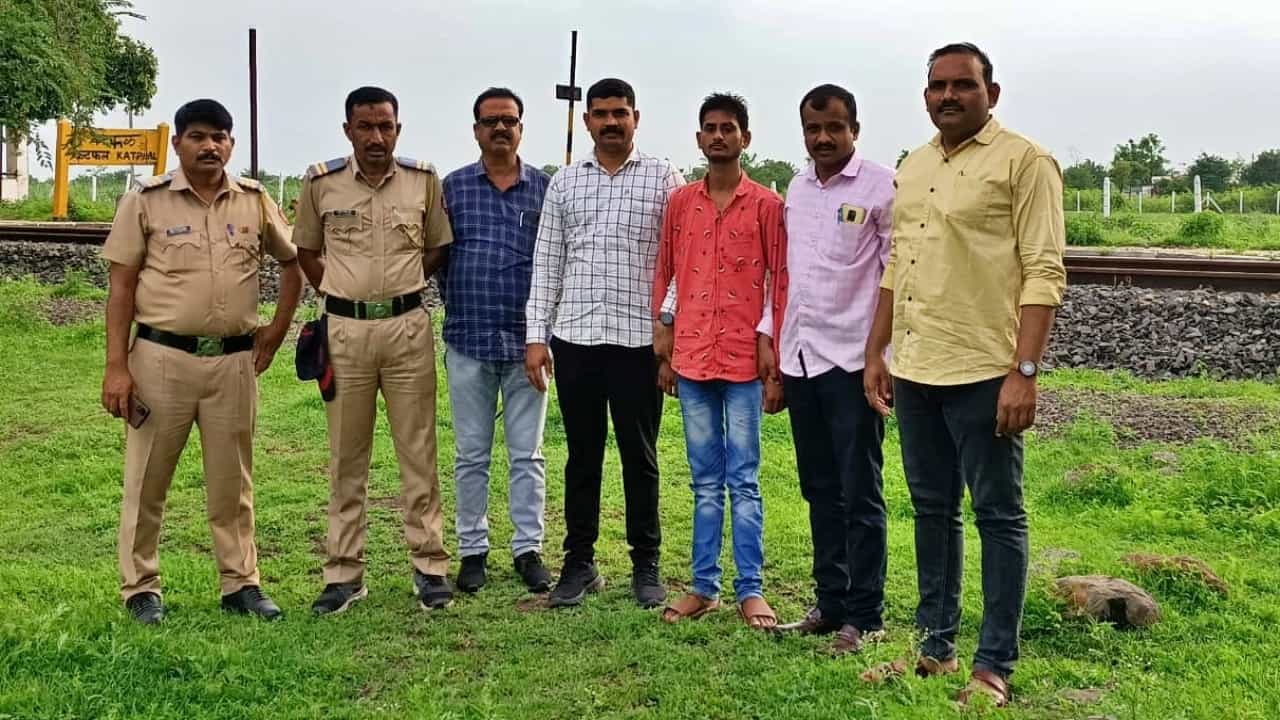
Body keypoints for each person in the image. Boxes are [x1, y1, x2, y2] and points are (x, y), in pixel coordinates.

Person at [862, 43, 1066, 706]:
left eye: (962, 85)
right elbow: (899, 265)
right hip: (917, 368)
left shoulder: (1024, 161)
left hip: (985, 370)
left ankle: (994, 664)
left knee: (998, 514)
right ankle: (935, 647)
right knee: (931, 509)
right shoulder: (914, 165)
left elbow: (1044, 271)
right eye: (937, 86)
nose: (947, 95)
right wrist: (877, 351)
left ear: (991, 93)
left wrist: (1024, 371)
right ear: (925, 95)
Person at [100, 98, 302, 624]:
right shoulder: (145, 201)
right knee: (147, 478)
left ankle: (241, 584)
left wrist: (276, 329)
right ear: (178, 143)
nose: (209, 146)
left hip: (233, 363)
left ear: (231, 144)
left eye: (219, 137)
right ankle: (141, 587)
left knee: (233, 481)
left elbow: (293, 262)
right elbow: (121, 289)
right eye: (197, 136)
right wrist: (116, 367)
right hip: (161, 360)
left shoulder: (254, 201)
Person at [293, 86, 455, 615]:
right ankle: (344, 573)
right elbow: (307, 252)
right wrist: (345, 292)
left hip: (407, 329)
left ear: (398, 129)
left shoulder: (422, 180)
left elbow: (436, 247)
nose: (376, 137)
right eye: (365, 127)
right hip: (346, 333)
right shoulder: (321, 183)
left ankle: (429, 566)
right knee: (347, 457)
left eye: (385, 126)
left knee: (419, 452)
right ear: (348, 130)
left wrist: (400, 289)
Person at [524, 77, 683, 608]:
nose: (611, 122)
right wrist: (536, 337)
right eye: (601, 114)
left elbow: (680, 260)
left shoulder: (664, 178)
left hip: (639, 343)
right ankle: (579, 563)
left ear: (636, 117)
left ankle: (646, 564)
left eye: (620, 113)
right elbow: (548, 262)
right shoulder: (565, 183)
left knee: (640, 456)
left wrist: (668, 324)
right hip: (577, 338)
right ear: (587, 120)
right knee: (582, 456)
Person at [765, 84, 897, 654]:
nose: (823, 138)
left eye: (834, 128)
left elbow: (895, 278)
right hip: (802, 358)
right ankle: (831, 602)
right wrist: (774, 344)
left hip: (853, 363)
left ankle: (866, 616)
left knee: (860, 491)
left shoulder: (882, 187)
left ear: (854, 130)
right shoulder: (797, 189)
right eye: (813, 129)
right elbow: (788, 277)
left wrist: (879, 357)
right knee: (819, 488)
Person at [651, 92, 785, 630]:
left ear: (745, 138)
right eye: (710, 128)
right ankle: (704, 586)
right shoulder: (682, 203)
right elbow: (667, 273)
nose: (718, 136)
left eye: (728, 128)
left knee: (744, 478)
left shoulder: (767, 206)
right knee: (704, 479)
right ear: (699, 138)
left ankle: (750, 589)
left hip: (744, 360)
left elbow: (779, 281)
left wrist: (770, 346)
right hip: (691, 357)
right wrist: (664, 342)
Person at [441, 87, 553, 594]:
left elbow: (553, 263)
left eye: (509, 120)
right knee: (471, 453)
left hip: (528, 344)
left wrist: (542, 332)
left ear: (521, 128)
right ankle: (473, 551)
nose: (500, 128)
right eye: (491, 121)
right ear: (476, 131)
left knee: (527, 454)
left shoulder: (545, 189)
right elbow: (441, 259)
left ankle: (528, 548)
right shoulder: (454, 188)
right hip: (468, 337)